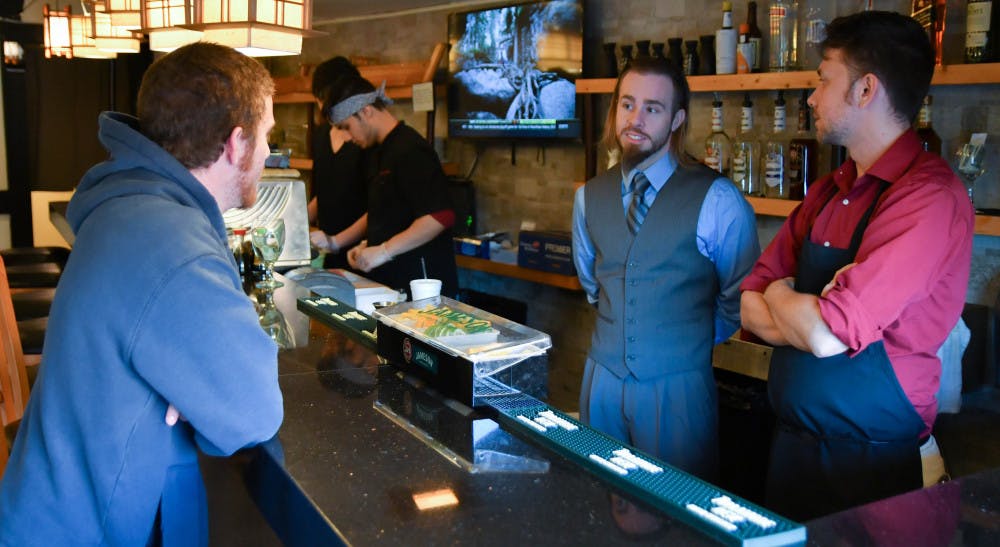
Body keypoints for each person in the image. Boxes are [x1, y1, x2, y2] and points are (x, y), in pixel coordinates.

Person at [0, 43, 284, 545]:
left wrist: (191, 389)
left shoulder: (131, 205)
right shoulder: (172, 242)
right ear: (236, 142)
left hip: (52, 510)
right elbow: (252, 411)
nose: (268, 152)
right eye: (266, 136)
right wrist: (197, 392)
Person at [739, 11, 974, 521]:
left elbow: (825, 335)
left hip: (876, 468)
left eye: (823, 80)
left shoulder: (928, 198)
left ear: (865, 90)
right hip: (792, 451)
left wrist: (781, 295)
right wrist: (800, 307)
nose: (811, 98)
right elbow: (748, 305)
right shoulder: (828, 191)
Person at [572, 55, 760, 480]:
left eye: (652, 109)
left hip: (678, 387)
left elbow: (740, 296)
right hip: (601, 381)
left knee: (677, 505)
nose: (635, 119)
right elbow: (593, 285)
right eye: (627, 104)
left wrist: (682, 342)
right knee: (594, 497)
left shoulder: (718, 198)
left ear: (677, 119)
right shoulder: (587, 197)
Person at [323, 74, 459, 298]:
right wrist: (369, 245)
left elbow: (440, 216)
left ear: (366, 111)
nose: (346, 137)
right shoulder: (377, 151)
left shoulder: (410, 149)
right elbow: (387, 209)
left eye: (346, 127)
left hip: (422, 285)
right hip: (392, 283)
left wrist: (384, 250)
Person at [307, 56, 370, 270]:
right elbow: (327, 190)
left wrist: (337, 241)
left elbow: (379, 208)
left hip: (361, 253)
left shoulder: (366, 140)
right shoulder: (321, 134)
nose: (322, 106)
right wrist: (297, 219)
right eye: (320, 99)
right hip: (327, 252)